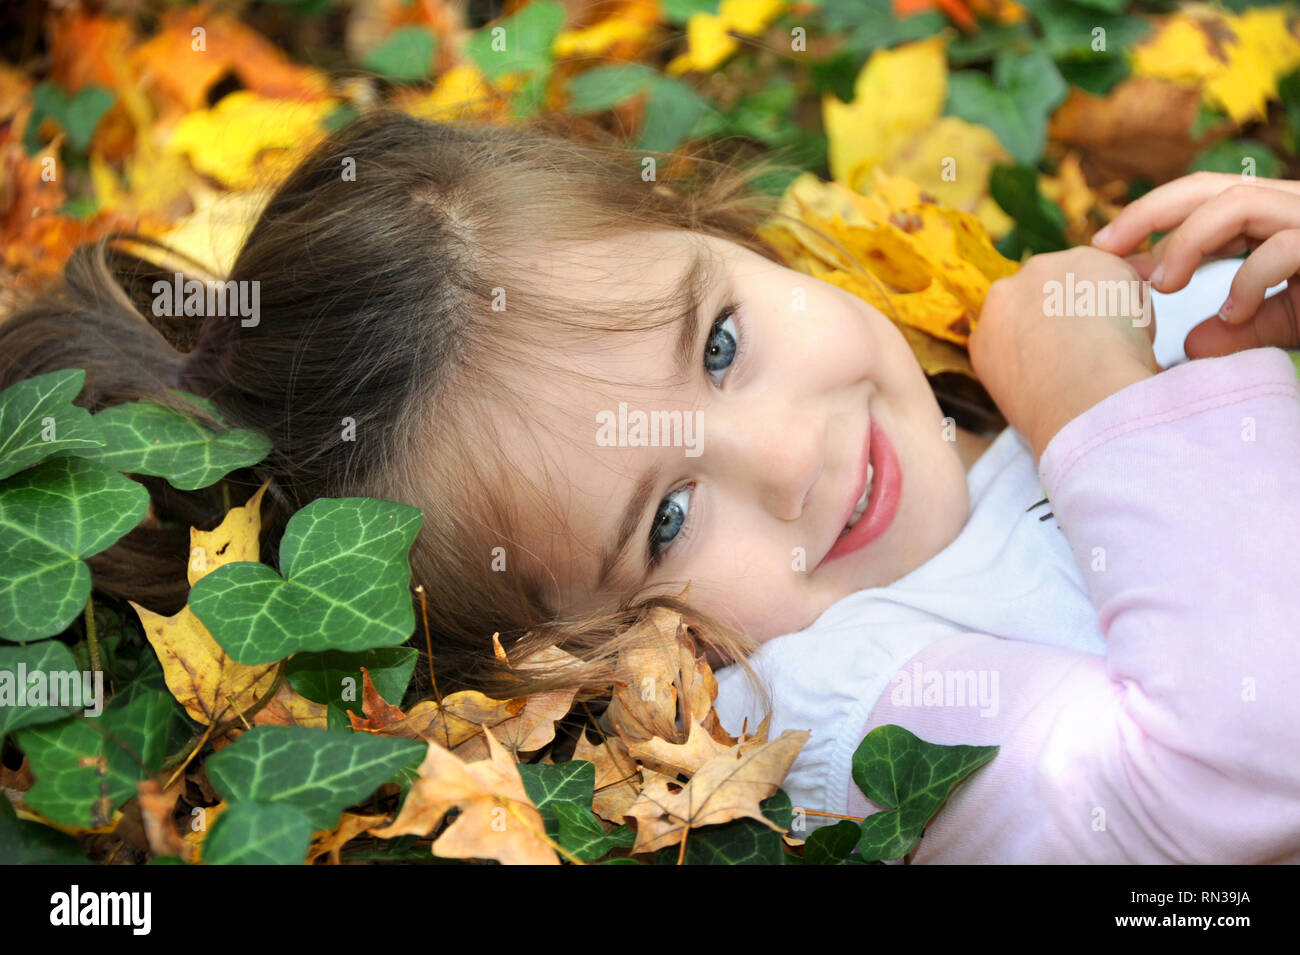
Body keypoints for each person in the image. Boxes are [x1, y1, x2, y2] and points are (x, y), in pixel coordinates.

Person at [3, 109, 1296, 862]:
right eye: (666, 519)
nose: (792, 458)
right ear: (604, 661)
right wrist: (1100, 398)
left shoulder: (1013, 361)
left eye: (723, 343)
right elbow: (1243, 764)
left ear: (723, 237)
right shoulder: (843, 701)